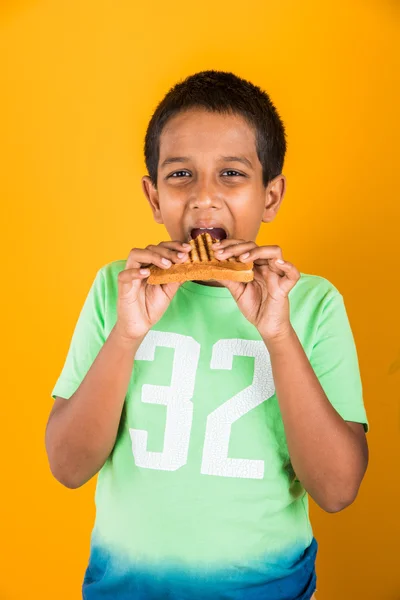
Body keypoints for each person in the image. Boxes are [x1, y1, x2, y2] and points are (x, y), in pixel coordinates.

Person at [46, 70, 369, 600]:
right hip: (126, 588)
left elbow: (337, 490)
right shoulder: (116, 290)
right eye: (180, 176)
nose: (204, 199)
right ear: (153, 197)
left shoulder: (311, 305)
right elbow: (67, 466)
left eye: (232, 174)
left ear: (271, 195)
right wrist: (127, 336)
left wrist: (279, 335)